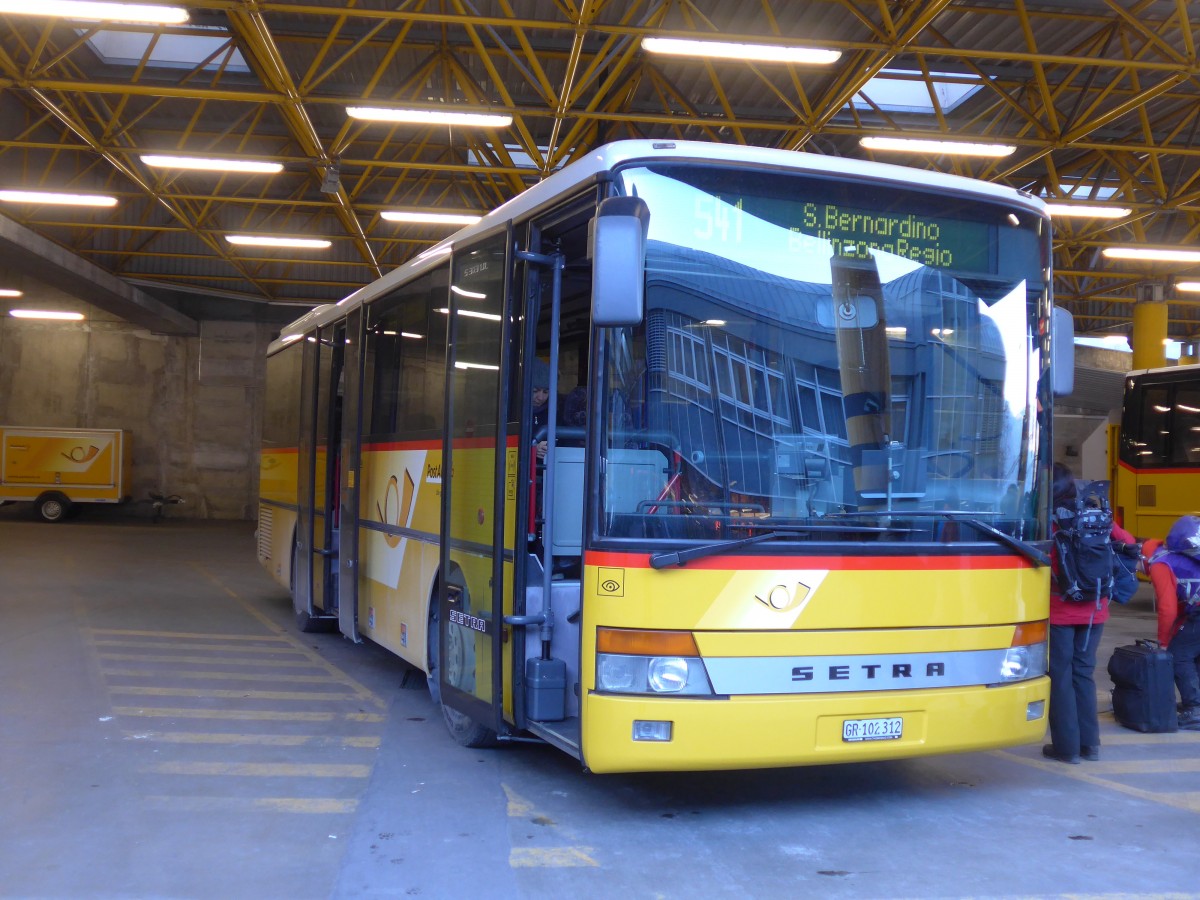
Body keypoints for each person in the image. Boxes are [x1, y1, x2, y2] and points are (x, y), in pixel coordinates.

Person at [1044, 462, 1136, 763]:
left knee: (1060, 676)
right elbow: (1128, 544)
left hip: (1060, 610)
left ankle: (1066, 748)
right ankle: (1090, 744)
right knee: (1083, 673)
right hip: (1096, 609)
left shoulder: (1050, 521)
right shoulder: (1097, 515)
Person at [1143, 515, 1200, 730]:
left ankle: (1194, 709)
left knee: (1180, 656)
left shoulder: (1160, 563)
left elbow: (1168, 607)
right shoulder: (1180, 556)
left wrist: (1164, 642)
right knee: (1194, 652)